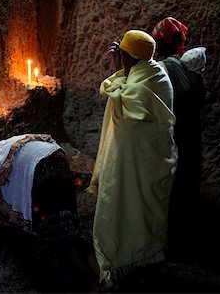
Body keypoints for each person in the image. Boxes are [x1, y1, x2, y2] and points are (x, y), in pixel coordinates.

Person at [0, 134, 99, 292]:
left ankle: (90, 286)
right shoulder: (1, 147)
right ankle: (103, 279)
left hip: (41, 170)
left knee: (59, 237)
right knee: (72, 228)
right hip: (56, 157)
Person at [87, 30, 177, 289]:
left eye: (123, 55)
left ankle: (128, 257)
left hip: (140, 162)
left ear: (131, 58)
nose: (119, 58)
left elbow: (120, 100)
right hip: (150, 159)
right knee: (144, 207)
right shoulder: (156, 72)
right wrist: (123, 66)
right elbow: (124, 87)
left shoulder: (144, 85)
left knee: (125, 203)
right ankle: (148, 255)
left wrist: (117, 68)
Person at [152, 17, 206, 252]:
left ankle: (172, 242)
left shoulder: (166, 68)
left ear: (162, 42)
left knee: (172, 187)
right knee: (188, 183)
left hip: (175, 135)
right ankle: (188, 239)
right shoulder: (190, 66)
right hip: (193, 134)